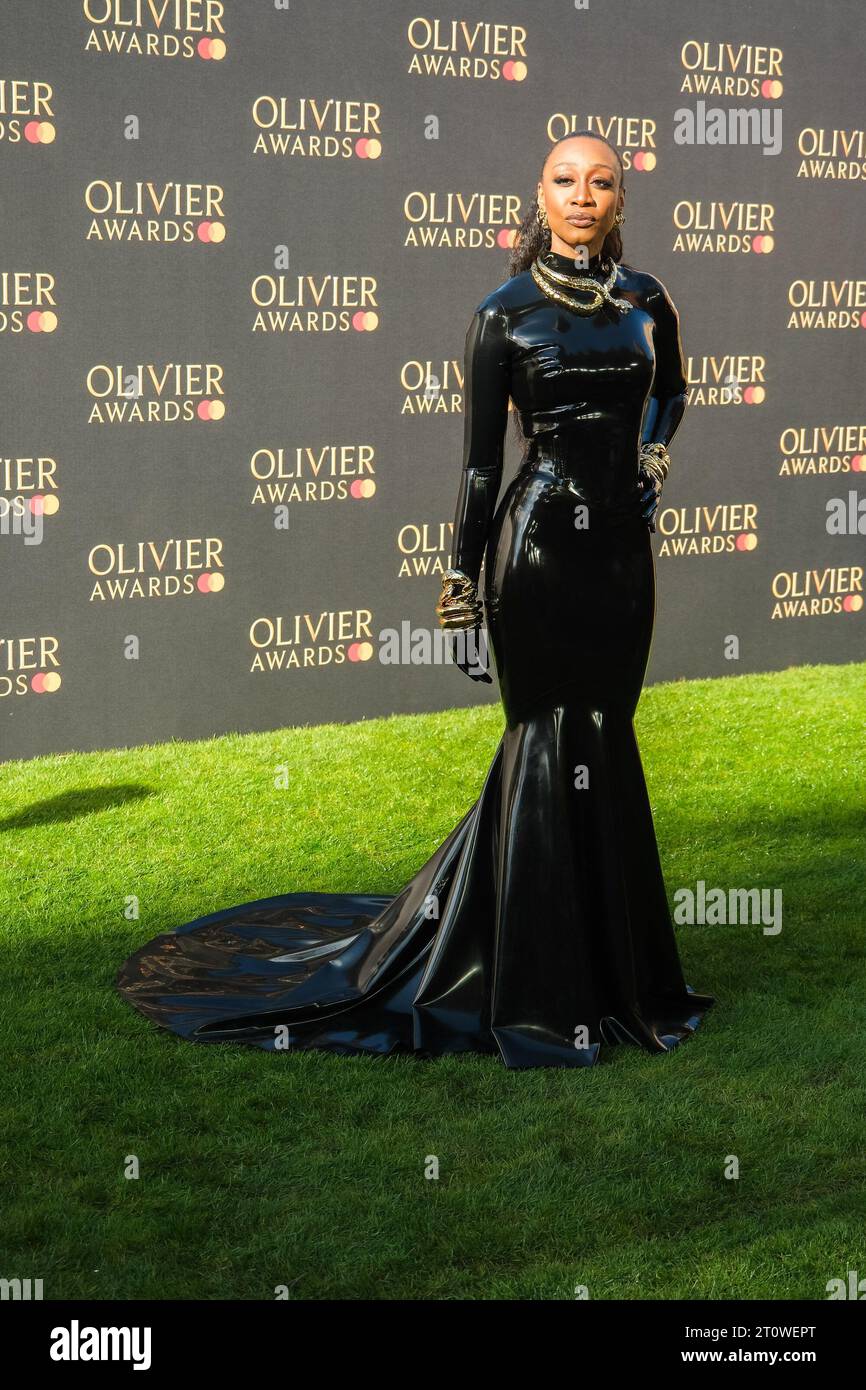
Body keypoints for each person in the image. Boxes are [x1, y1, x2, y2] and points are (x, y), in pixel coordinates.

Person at [116, 132, 715, 1069]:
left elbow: (674, 390)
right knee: (543, 741)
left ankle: (619, 974)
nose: (583, 196)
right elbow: (481, 464)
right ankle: (539, 984)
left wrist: (653, 449)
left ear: (621, 197)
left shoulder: (648, 300)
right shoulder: (502, 314)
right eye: (565, 180)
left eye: (601, 182)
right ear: (540, 194)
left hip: (623, 560)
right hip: (540, 551)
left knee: (606, 734)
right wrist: (463, 577)